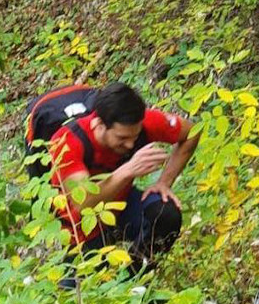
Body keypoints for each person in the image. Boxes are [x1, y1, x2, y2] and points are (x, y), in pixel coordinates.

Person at [35, 82, 200, 269]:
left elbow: (191, 133)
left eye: (135, 137)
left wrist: (164, 182)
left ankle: (136, 281)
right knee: (84, 292)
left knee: (165, 214)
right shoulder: (67, 142)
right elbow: (83, 203)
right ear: (98, 124)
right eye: (122, 138)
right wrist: (128, 169)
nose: (130, 145)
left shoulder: (143, 123)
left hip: (122, 205)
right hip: (83, 226)